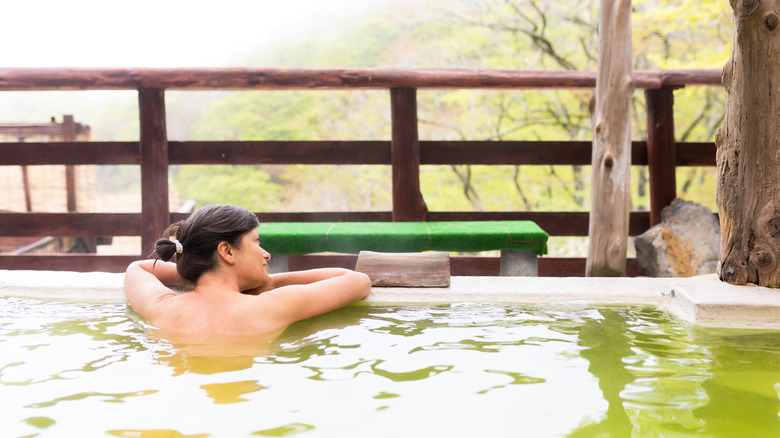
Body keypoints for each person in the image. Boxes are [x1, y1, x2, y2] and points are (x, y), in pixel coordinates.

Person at [124, 204, 372, 336]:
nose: (266, 254)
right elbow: (358, 280)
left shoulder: (161, 308)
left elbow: (139, 268)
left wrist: (200, 271)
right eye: (256, 242)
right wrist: (272, 282)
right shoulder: (271, 306)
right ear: (227, 252)